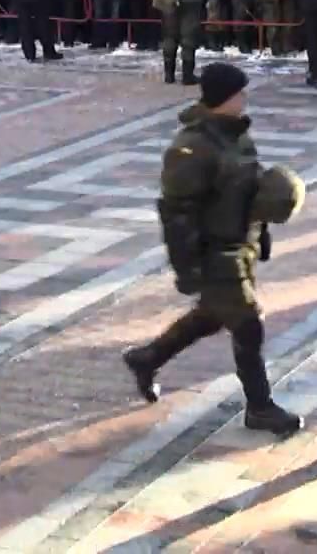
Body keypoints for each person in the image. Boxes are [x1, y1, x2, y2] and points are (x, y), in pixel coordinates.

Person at [123, 63, 305, 435]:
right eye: (240, 93)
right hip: (214, 251)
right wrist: (187, 269)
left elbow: (249, 186)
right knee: (248, 324)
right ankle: (260, 407)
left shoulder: (236, 135)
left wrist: (262, 228)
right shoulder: (192, 148)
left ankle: (148, 358)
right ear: (224, 98)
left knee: (212, 315)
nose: (245, 98)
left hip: (241, 245)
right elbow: (177, 214)